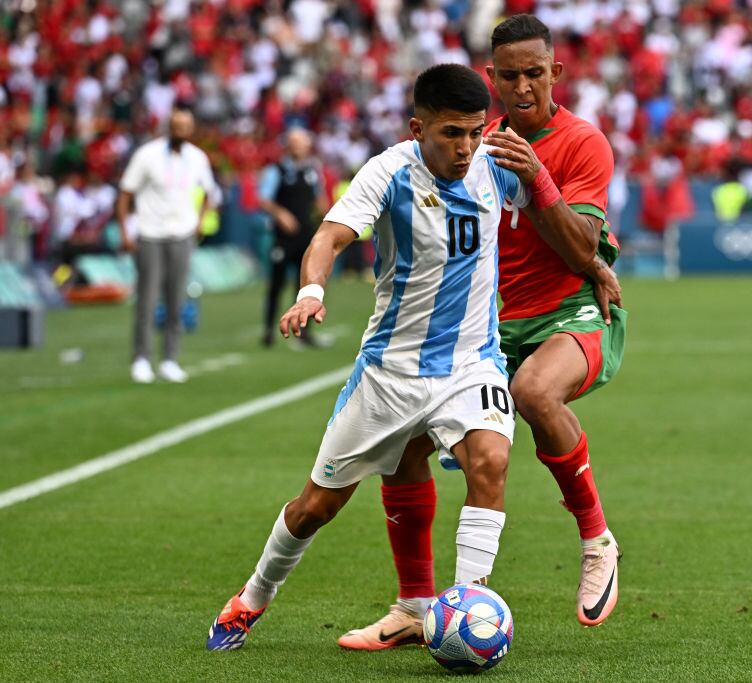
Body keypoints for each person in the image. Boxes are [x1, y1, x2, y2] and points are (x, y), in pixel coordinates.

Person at [206, 63, 566, 651]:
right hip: (389, 373)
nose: (467, 147)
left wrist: (592, 264)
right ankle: (250, 599)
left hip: (471, 363)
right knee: (314, 508)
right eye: (452, 133)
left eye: (476, 131)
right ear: (417, 127)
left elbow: (553, 216)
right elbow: (327, 237)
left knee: (490, 461)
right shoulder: (389, 171)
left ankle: (464, 612)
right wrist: (311, 292)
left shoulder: (499, 163)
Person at [337, 14, 627, 649]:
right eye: (510, 75)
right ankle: (416, 608)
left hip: (568, 311)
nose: (523, 86)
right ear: (491, 77)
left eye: (535, 73)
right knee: (407, 445)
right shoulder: (472, 140)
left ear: (556, 72)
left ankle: (596, 540)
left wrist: (538, 179)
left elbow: (580, 249)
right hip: (492, 326)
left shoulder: (582, 142)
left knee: (534, 392)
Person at [116, 104, 218, 384]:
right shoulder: (147, 155)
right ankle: (141, 358)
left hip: (181, 233)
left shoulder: (197, 158)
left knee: (176, 300)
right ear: (168, 126)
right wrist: (126, 230)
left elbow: (210, 192)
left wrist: (199, 221)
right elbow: (125, 193)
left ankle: (170, 359)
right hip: (150, 232)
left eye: (185, 127)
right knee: (147, 300)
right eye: (176, 126)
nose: (180, 131)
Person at [258, 127, 330, 347]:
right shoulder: (276, 170)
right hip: (283, 237)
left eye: (302, 143)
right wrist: (281, 214)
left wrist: (327, 219)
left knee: (306, 284)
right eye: (295, 142)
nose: (299, 147)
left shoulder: (312, 170)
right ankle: (269, 330)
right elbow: (264, 199)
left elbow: (319, 198)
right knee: (277, 283)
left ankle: (303, 331)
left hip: (306, 236)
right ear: (288, 146)